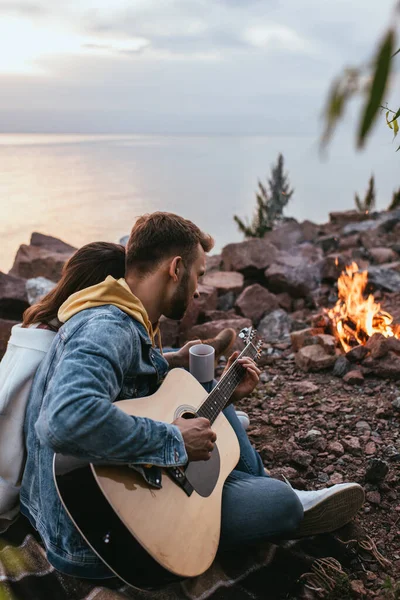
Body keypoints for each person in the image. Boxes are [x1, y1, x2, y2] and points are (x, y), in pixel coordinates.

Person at [19, 213, 364, 580]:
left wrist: (190, 373)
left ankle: (232, 484)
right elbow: (65, 420)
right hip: (91, 537)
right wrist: (175, 439)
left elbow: (124, 384)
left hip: (95, 502)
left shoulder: (121, 315)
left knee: (196, 384)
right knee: (281, 506)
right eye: (199, 274)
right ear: (176, 268)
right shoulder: (107, 328)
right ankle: (266, 491)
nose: (199, 289)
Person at [0, 241, 236, 522]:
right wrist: (173, 437)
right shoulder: (82, 338)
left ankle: (190, 362)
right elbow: (54, 427)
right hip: (31, 491)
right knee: (190, 382)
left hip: (57, 462)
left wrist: (173, 360)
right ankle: (214, 399)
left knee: (169, 361)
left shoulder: (46, 325)